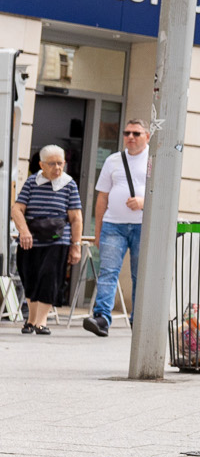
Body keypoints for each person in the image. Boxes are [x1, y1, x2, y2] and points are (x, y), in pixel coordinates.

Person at [84, 120, 149, 336]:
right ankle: (102, 318)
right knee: (108, 272)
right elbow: (102, 197)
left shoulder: (154, 160)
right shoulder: (113, 160)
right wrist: (98, 230)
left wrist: (143, 202)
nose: (130, 137)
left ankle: (138, 319)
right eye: (127, 133)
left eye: (136, 133)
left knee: (140, 275)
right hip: (113, 225)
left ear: (147, 136)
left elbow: (164, 194)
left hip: (143, 226)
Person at [12, 145, 82, 334]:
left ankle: (41, 322)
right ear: (41, 165)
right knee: (30, 278)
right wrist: (24, 231)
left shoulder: (69, 184)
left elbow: (76, 218)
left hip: (57, 240)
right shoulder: (31, 182)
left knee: (49, 278)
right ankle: (31, 320)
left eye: (60, 163)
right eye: (52, 164)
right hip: (31, 239)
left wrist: (76, 245)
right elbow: (17, 209)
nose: (57, 168)